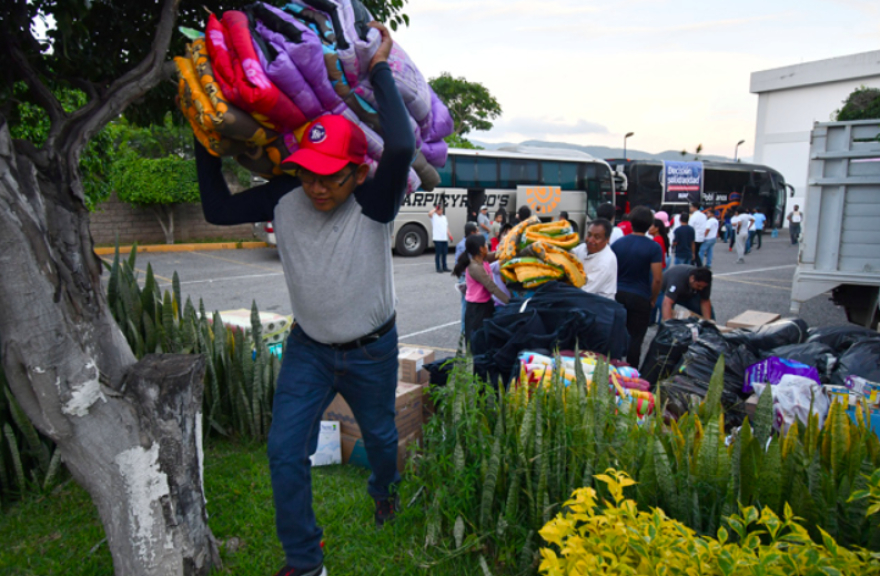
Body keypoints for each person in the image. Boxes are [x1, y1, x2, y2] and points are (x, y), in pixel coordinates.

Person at [194, 22, 407, 576]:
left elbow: (404, 144)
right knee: (285, 451)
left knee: (382, 439)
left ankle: (384, 490)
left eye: (331, 178)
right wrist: (204, 131)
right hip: (309, 350)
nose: (317, 188)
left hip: (371, 352)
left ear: (358, 174)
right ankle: (304, 560)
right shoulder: (287, 196)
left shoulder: (374, 203)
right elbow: (217, 209)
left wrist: (379, 66)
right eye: (310, 175)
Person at [611, 206, 663, 368]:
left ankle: (611, 368)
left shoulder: (618, 244)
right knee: (636, 338)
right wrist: (653, 298)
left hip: (617, 294)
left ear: (630, 222)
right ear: (649, 225)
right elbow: (657, 279)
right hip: (640, 296)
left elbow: (611, 269)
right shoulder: (654, 247)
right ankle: (632, 374)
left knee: (615, 335)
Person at [453, 234, 510, 343]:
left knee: (488, 338)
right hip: (477, 309)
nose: (487, 245)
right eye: (485, 244)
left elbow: (495, 255)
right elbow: (492, 287)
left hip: (486, 305)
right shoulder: (475, 267)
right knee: (477, 341)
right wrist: (510, 302)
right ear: (480, 249)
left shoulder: (482, 258)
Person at [572, 218, 617, 299]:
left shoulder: (605, 262)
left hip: (599, 305)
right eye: (589, 235)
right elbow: (569, 256)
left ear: (607, 239)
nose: (590, 240)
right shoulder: (583, 248)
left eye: (597, 237)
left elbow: (584, 291)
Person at [455, 222, 480, 333]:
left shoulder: (461, 244)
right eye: (477, 230)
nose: (479, 232)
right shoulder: (467, 246)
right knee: (467, 305)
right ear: (472, 232)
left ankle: (467, 329)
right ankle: (465, 330)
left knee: (467, 305)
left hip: (465, 277)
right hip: (468, 279)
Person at [489, 223, 513, 306]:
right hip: (500, 302)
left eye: (510, 234)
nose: (507, 237)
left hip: (515, 300)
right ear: (499, 238)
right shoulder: (496, 254)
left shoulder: (517, 252)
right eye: (505, 234)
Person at [428, 204, 453, 273]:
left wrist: (450, 235)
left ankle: (445, 267)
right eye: (440, 210)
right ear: (437, 211)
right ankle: (438, 268)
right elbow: (429, 214)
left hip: (444, 238)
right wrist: (435, 209)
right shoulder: (434, 217)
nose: (441, 211)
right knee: (438, 253)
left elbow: (446, 227)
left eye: (442, 210)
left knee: (445, 253)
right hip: (437, 238)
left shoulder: (444, 217)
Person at [689, 202, 708, 267]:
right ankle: (698, 266)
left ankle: (693, 266)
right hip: (701, 237)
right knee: (696, 253)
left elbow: (691, 227)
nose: (690, 208)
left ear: (695, 207)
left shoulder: (693, 216)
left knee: (693, 253)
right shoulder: (703, 215)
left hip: (695, 237)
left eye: (691, 207)